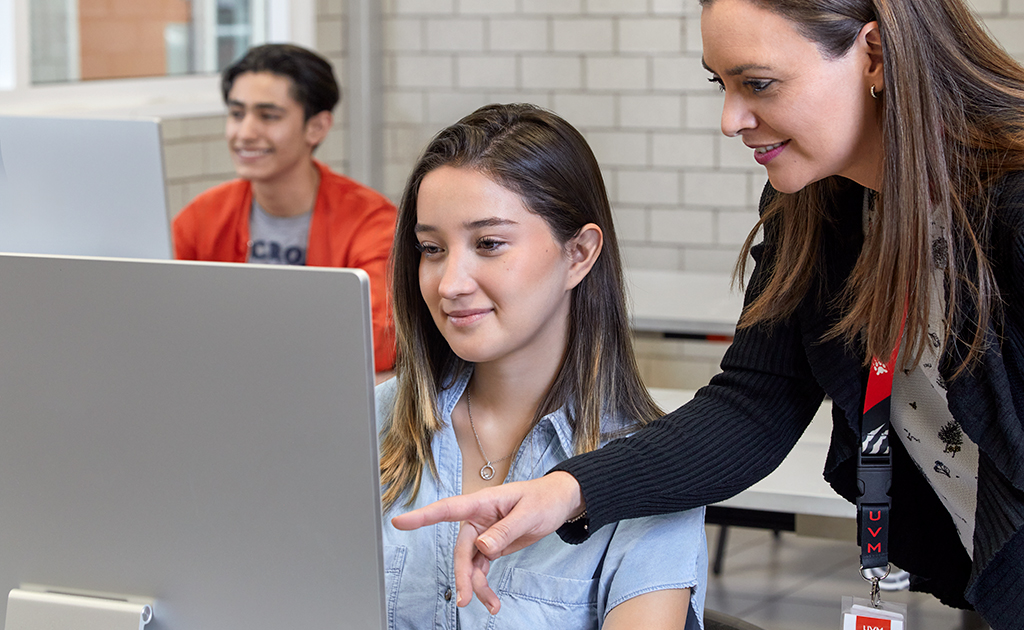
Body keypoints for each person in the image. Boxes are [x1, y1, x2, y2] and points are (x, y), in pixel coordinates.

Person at [391, 0, 1024, 627]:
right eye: (720, 84)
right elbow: (754, 405)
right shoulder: (820, 207)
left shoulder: (1010, 203)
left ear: (874, 56)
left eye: (758, 84)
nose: (731, 118)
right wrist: (567, 491)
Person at [377, 103, 707, 629]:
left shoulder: (647, 468)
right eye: (431, 248)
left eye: (489, 244)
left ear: (578, 254)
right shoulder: (366, 425)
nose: (450, 283)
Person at [172, 44, 397, 373]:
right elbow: (164, 316)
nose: (245, 133)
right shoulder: (203, 216)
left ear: (316, 127)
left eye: (268, 116)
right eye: (236, 114)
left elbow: (380, 340)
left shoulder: (372, 222)